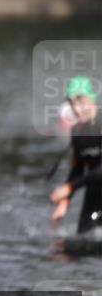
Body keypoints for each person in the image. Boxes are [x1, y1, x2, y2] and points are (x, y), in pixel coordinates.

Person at [50, 76, 101, 234]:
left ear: (92, 100)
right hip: (94, 193)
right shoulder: (78, 132)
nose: (77, 109)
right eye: (73, 104)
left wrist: (70, 187)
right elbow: (77, 169)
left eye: (81, 102)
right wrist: (65, 202)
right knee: (82, 237)